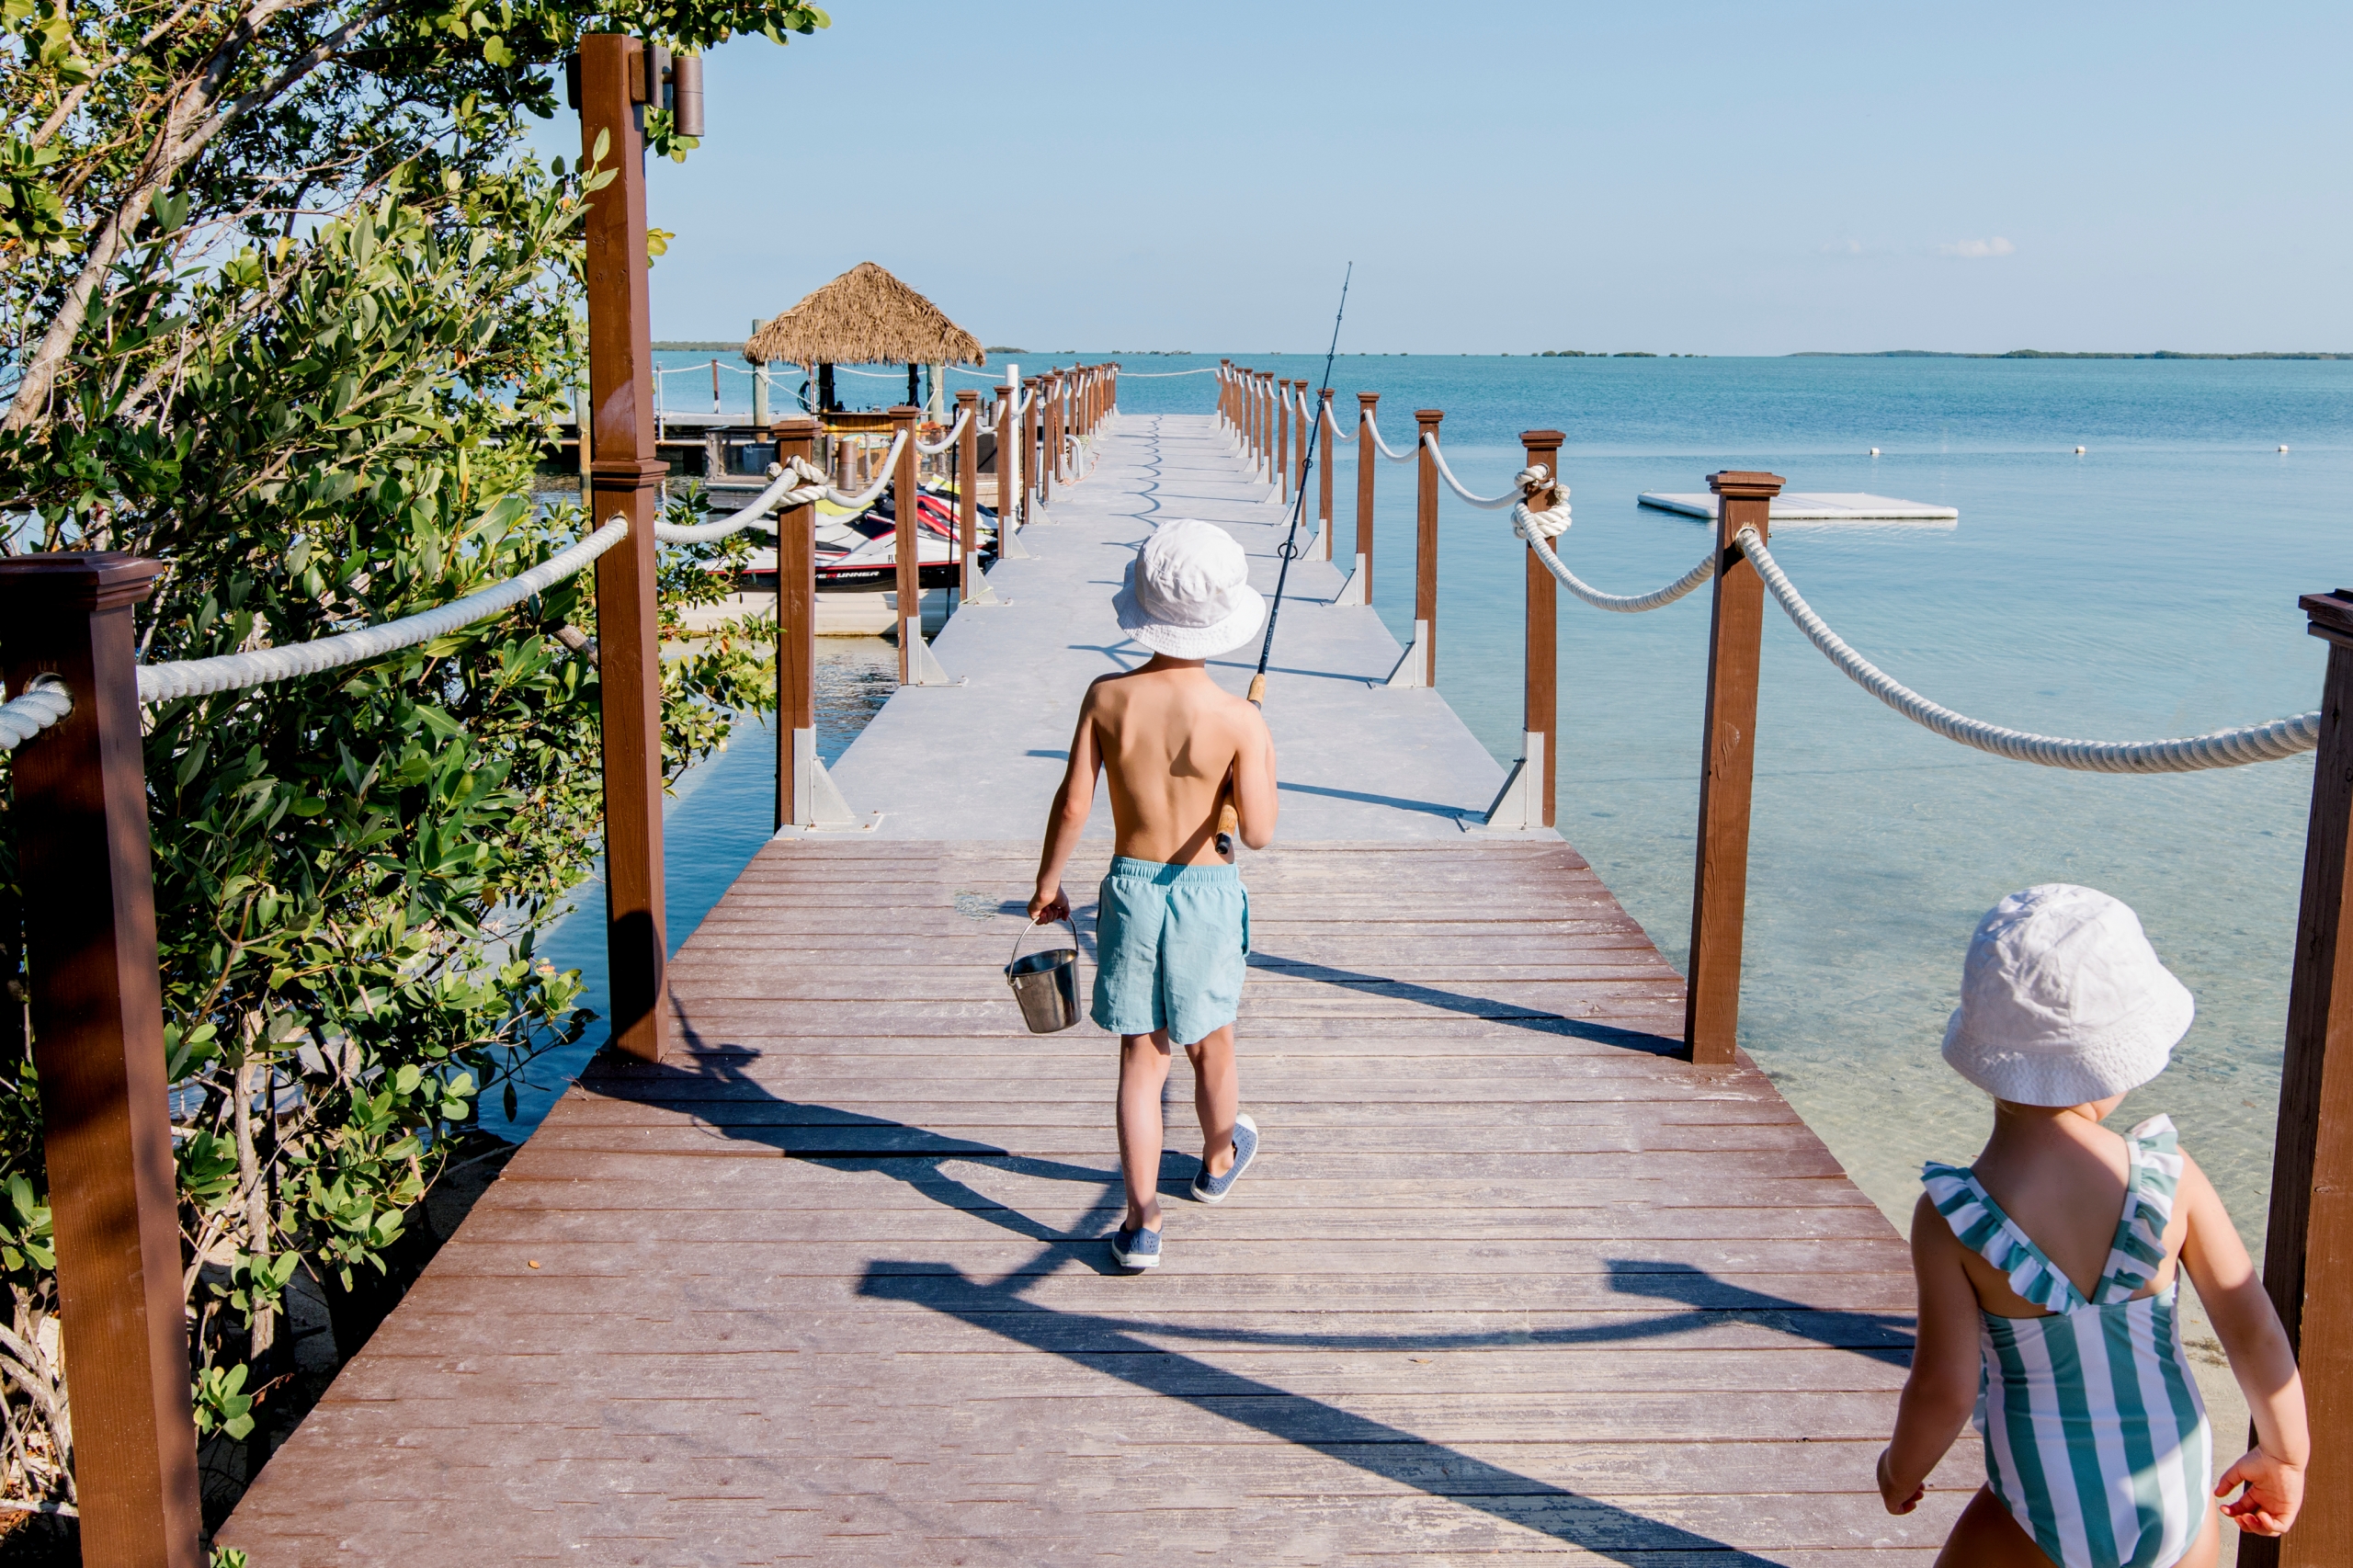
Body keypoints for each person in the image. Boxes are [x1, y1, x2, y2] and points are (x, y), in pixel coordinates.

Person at [1879, 884, 2308, 1568]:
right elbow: (2250, 1327)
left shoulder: (1955, 1217)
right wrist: (2285, 1453)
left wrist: (1901, 1470)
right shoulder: (2169, 1181)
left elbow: (1944, 1387)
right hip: (2177, 1488)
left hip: (2039, 1503)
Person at [1029, 519, 1279, 1272]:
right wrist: (1243, 776)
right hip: (1205, 890)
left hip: (1130, 890)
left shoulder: (1106, 697)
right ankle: (1216, 1156)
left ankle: (1142, 1225)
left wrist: (1047, 884)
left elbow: (1073, 802)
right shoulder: (1240, 717)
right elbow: (1258, 833)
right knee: (1212, 1041)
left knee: (1143, 1055)